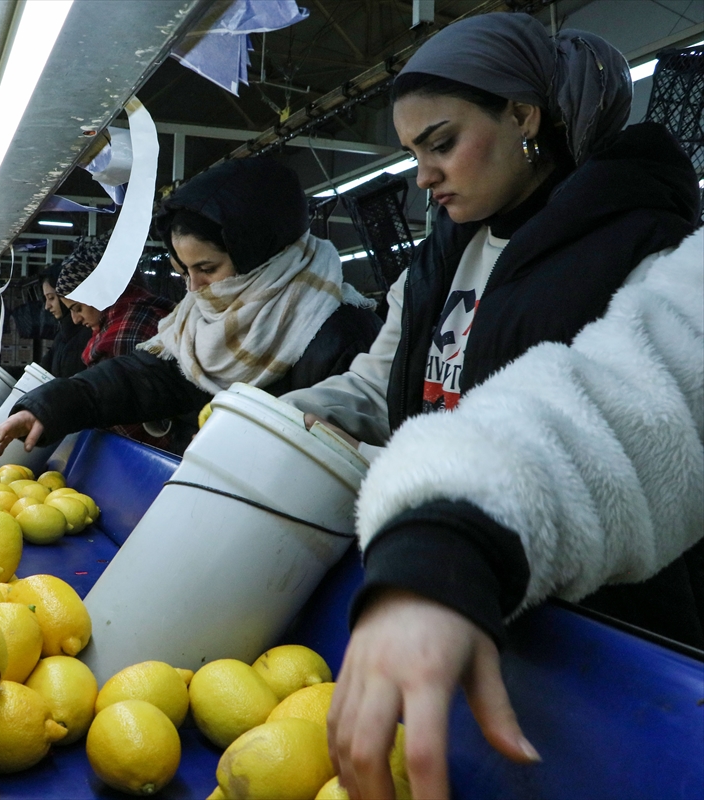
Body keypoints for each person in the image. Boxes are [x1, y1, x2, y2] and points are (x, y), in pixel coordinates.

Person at [274, 14, 701, 799]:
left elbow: (631, 410)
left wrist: (455, 534)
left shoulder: (640, 248)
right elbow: (381, 383)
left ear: (523, 117)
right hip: (442, 589)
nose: (423, 177)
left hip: (589, 623)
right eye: (412, 154)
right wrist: (271, 423)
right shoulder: (439, 259)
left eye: (441, 142)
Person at [0, 156, 383, 457]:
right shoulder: (201, 325)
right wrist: (50, 408)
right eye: (184, 269)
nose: (194, 287)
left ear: (262, 254)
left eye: (207, 268)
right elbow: (140, 378)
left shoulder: (342, 333)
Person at [54, 233, 175, 367]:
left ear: (98, 293)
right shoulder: (139, 313)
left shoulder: (125, 334)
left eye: (78, 308)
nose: (76, 319)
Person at [38, 263, 91, 379]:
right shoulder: (62, 336)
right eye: (46, 299)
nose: (47, 306)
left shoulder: (88, 334)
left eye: (51, 298)